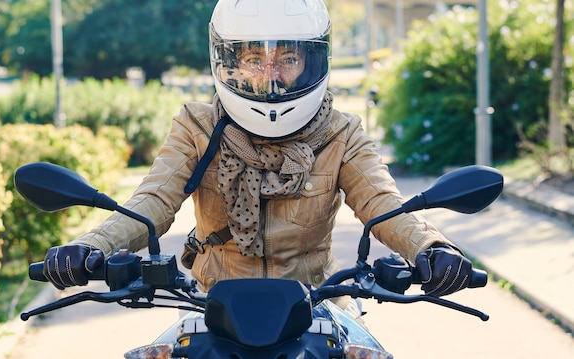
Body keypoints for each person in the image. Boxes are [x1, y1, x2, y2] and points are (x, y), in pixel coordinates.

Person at [42, 0, 474, 312]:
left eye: (288, 57)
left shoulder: (342, 132)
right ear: (227, 61)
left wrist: (430, 246)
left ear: (313, 59)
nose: (271, 75)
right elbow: (152, 201)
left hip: (317, 302)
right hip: (211, 304)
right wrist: (90, 245)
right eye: (253, 57)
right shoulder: (196, 125)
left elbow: (384, 203)